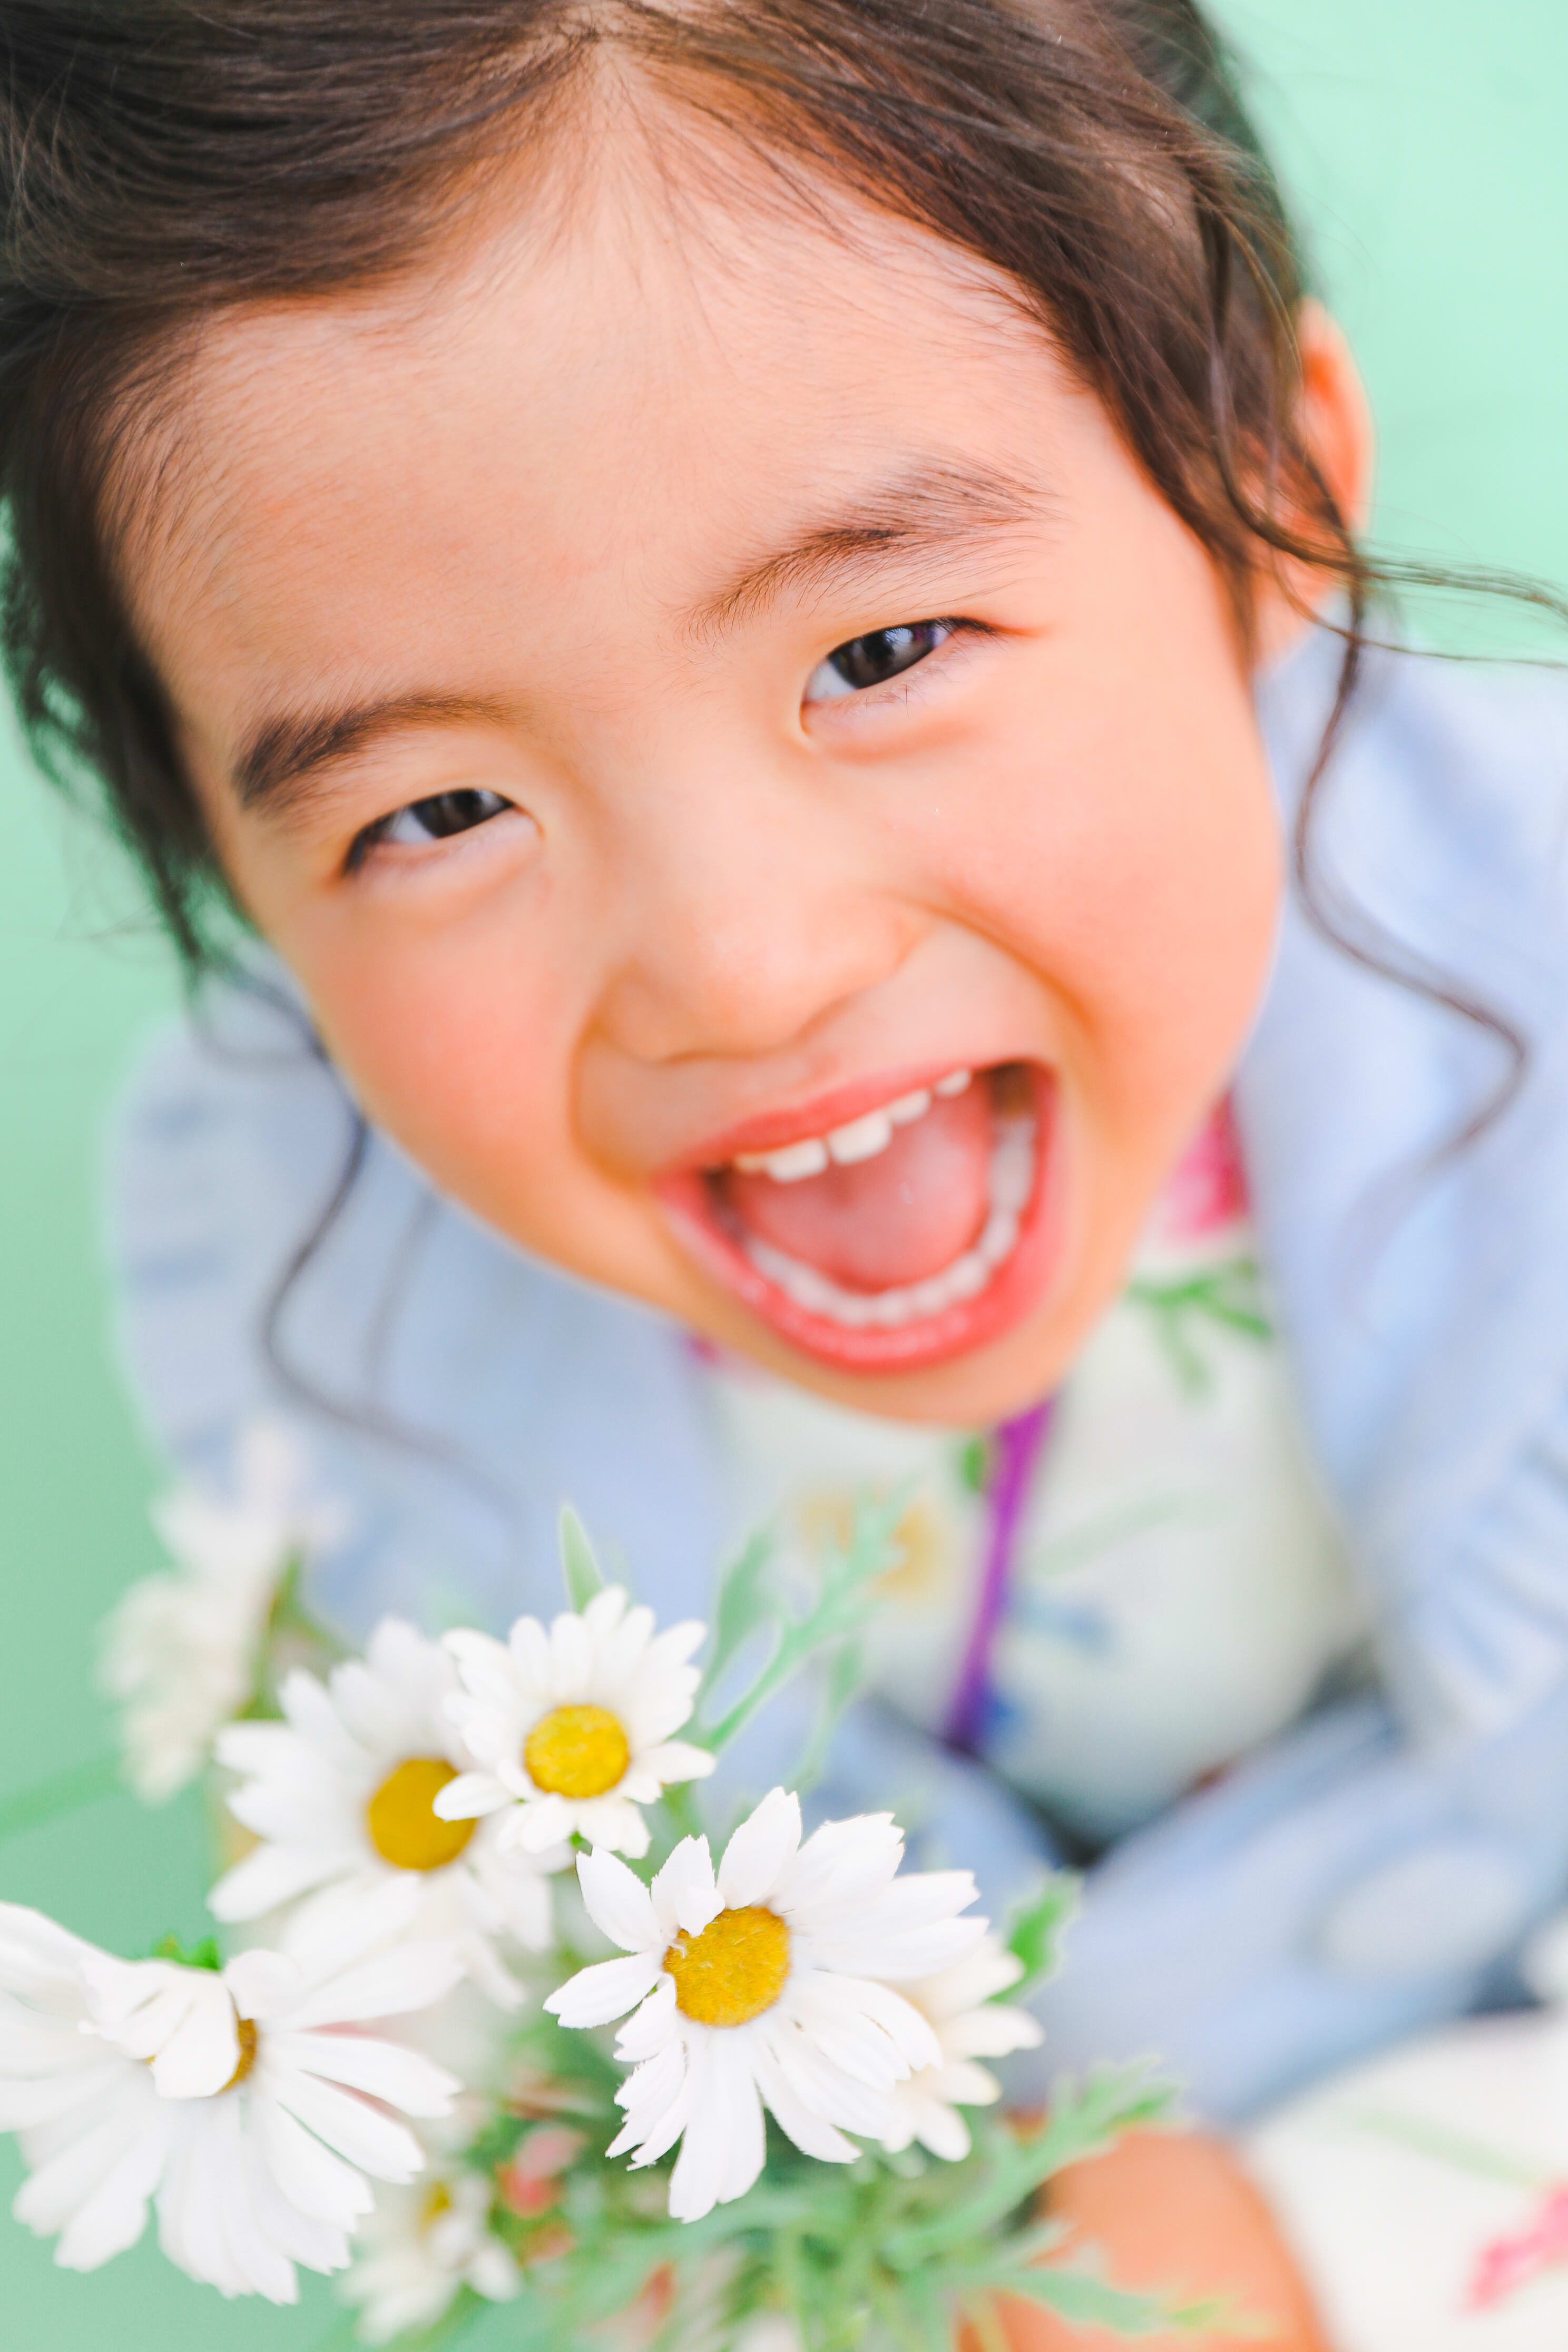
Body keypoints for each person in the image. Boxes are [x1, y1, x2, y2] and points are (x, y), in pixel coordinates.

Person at [4, 4, 1568, 2343]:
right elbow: (502, 1976)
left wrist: (1329, 2245)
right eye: (439, 812)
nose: (740, 970)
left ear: (1274, 503)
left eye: (886, 648)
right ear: (237, 879)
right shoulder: (319, 1293)